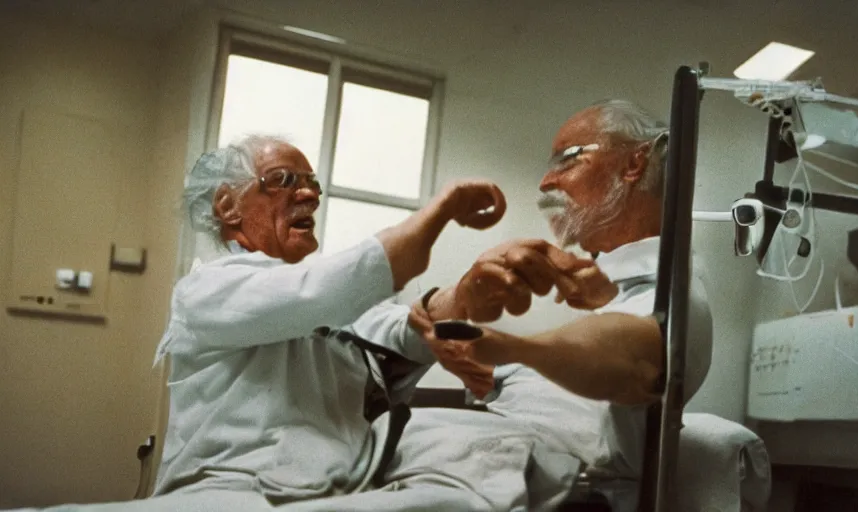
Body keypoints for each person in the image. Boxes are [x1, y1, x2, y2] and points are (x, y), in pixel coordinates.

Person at [20, 135, 596, 512]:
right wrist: (437, 212)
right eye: (283, 181)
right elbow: (322, 292)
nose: (308, 196)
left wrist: (466, 292)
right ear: (227, 208)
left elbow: (401, 331)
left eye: (312, 184)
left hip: (342, 486)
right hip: (235, 489)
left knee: (496, 450)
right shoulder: (210, 290)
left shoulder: (326, 297)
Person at [411, 99, 714, 508]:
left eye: (566, 160)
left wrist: (508, 346)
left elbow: (635, 361)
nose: (545, 182)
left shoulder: (675, 295)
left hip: (516, 471)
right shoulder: (611, 290)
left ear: (634, 164)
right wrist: (484, 361)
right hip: (470, 447)